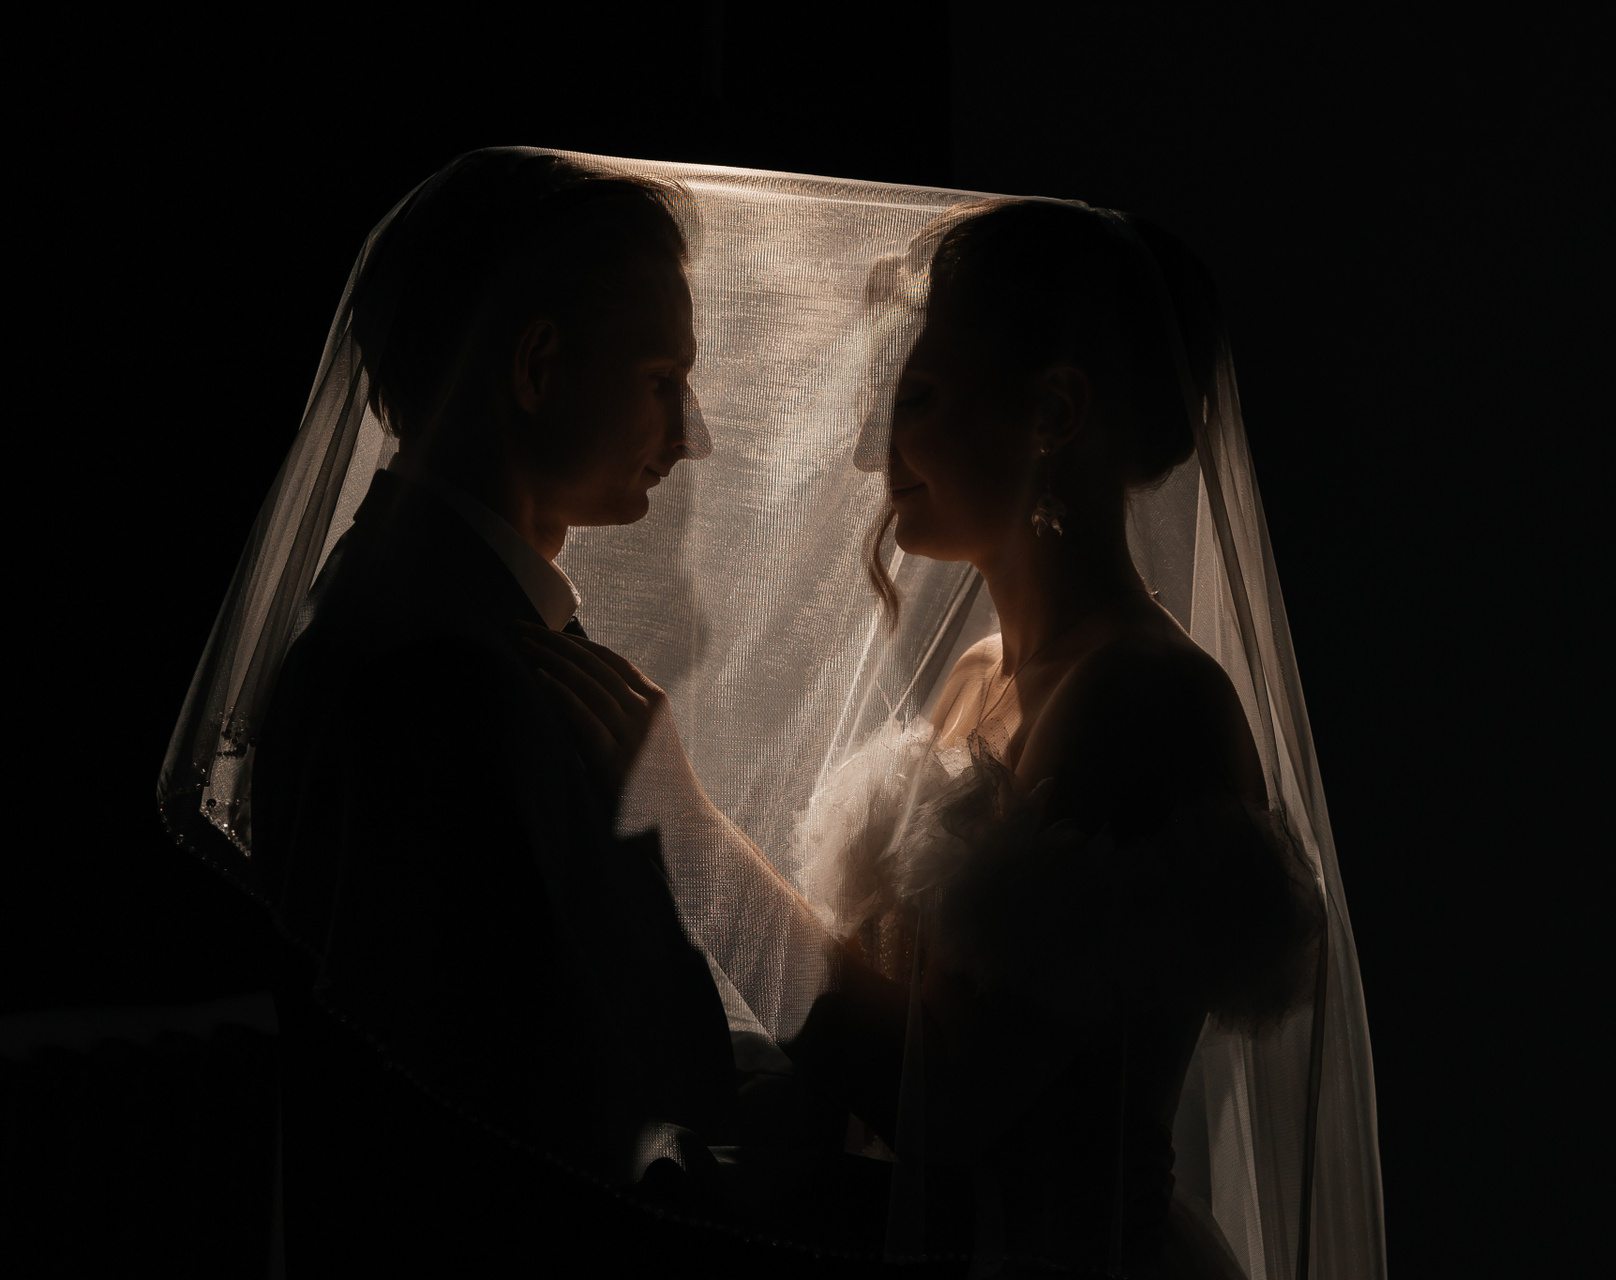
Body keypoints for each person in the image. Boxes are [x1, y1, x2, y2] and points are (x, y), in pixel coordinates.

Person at [532, 198, 1325, 1277]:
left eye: (917, 397)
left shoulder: (1144, 701)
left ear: (1055, 412)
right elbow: (875, 1044)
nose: (874, 448)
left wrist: (688, 831)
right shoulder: (982, 673)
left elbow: (945, 1098)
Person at [251, 149, 877, 1278]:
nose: (693, 433)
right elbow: (536, 1122)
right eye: (662, 378)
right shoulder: (444, 678)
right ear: (537, 366)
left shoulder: (423, 608)